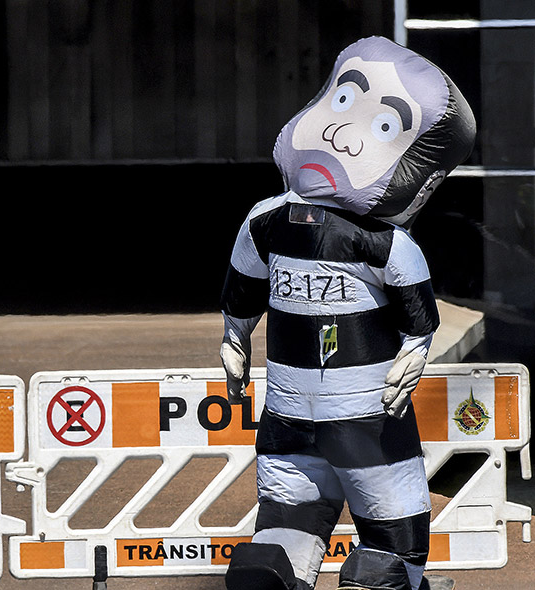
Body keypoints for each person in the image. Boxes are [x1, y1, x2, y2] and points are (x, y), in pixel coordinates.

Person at [220, 37, 476, 590]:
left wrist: (234, 339)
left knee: (289, 515)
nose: (341, 132)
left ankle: (273, 562)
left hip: (287, 411)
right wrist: (415, 352)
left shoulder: (265, 220)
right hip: (367, 417)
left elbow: (242, 291)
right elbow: (418, 314)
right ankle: (380, 573)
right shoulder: (384, 242)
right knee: (393, 534)